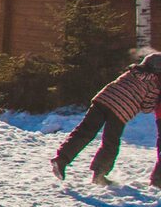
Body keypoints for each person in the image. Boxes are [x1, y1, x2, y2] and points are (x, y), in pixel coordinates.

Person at [52, 51, 161, 186]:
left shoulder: (131, 72)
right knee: (110, 142)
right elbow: (147, 107)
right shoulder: (154, 84)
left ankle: (62, 159)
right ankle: (99, 174)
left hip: (102, 101)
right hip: (120, 110)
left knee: (84, 131)